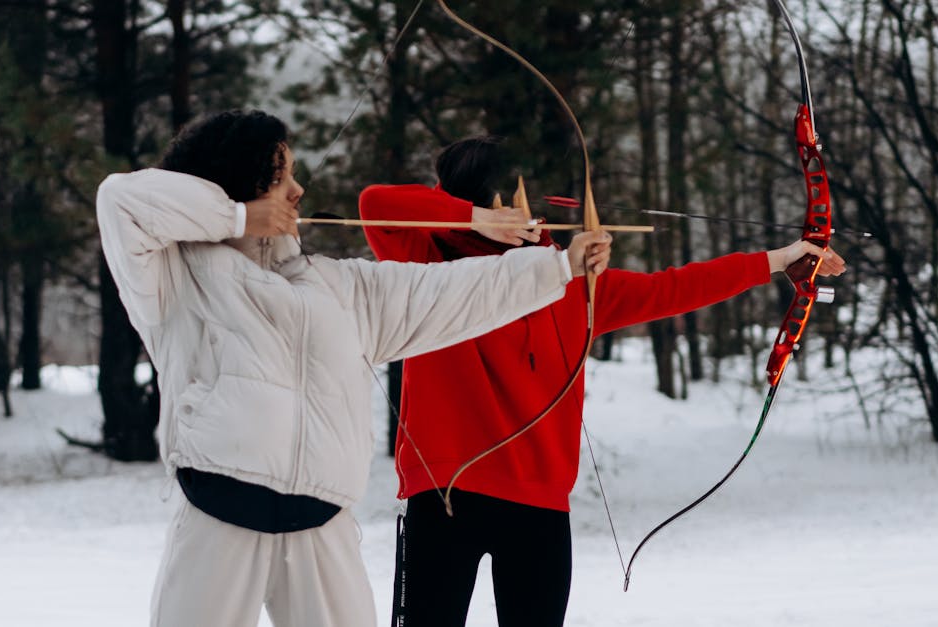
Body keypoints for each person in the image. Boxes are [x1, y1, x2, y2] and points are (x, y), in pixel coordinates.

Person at [95, 112, 612, 627]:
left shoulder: (337, 287)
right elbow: (121, 200)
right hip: (218, 521)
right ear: (239, 181)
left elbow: (452, 292)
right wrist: (237, 219)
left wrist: (560, 266)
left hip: (322, 530)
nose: (298, 191)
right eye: (281, 177)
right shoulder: (172, 278)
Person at [358, 135, 847, 627]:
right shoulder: (423, 261)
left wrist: (778, 259)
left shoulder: (570, 280)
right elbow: (374, 202)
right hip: (444, 492)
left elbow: (673, 288)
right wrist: (472, 218)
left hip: (539, 503)